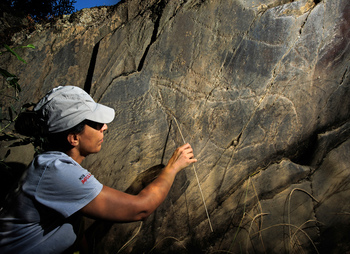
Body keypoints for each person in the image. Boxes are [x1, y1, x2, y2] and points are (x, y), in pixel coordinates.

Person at [0, 86, 197, 254]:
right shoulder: (57, 172)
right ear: (73, 138)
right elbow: (141, 209)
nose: (105, 127)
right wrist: (173, 167)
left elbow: (72, 222)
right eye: (95, 124)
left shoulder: (52, 164)